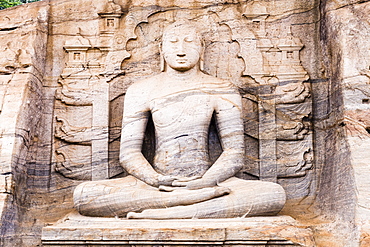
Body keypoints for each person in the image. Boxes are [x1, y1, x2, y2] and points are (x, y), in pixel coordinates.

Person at [73, 22, 286, 219]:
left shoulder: (222, 89)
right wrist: (156, 179)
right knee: (84, 196)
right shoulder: (140, 90)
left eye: (190, 42)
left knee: (273, 194)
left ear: (202, 49)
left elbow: (234, 153)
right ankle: (185, 203)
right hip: (155, 186)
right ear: (162, 50)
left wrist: (205, 182)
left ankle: (163, 211)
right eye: (173, 42)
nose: (181, 49)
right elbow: (129, 154)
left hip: (209, 182)